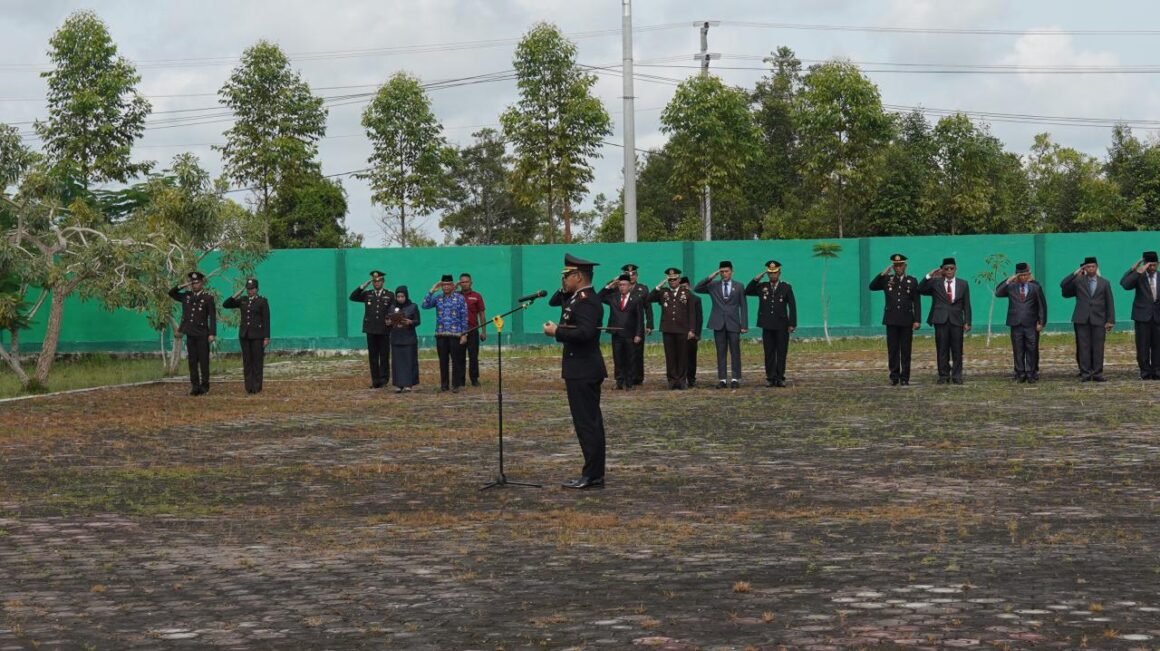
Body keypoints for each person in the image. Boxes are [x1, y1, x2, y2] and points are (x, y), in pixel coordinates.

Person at [544, 253, 607, 490]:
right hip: (577, 368)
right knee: (586, 423)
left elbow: (585, 333)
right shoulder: (575, 299)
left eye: (567, 275)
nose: (564, 279)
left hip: (584, 369)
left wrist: (556, 332)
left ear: (578, 276)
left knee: (588, 424)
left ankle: (592, 474)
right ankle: (593, 472)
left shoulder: (588, 301)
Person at [868, 253, 922, 386]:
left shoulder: (912, 281)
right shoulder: (887, 279)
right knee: (893, 350)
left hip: (906, 320)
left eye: (900, 265)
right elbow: (872, 286)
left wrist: (917, 320)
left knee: (906, 349)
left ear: (905, 266)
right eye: (896, 265)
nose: (898, 268)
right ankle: (894, 376)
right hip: (891, 319)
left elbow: (917, 302)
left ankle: (905, 377)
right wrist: (882, 274)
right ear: (893, 266)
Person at [695, 260, 748, 389]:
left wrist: (744, 324)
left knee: (735, 351)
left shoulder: (739, 286)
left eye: (726, 271)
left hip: (734, 323)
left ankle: (735, 378)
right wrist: (710, 276)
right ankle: (722, 379)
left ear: (732, 272)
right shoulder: (713, 285)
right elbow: (697, 288)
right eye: (722, 272)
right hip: (718, 323)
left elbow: (743, 306)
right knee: (720, 352)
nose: (724, 274)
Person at [918, 257, 972, 385]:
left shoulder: (963, 283)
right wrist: (929, 275)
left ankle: (957, 375)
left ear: (955, 269)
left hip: (957, 320)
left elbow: (967, 304)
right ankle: (943, 375)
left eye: (951, 268)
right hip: (940, 320)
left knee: (957, 350)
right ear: (942, 270)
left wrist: (968, 321)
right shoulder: (935, 282)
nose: (949, 271)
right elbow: (920, 289)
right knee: (942, 349)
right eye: (946, 268)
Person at [1062, 256, 1115, 382]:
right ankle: (1085, 373)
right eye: (1088, 267)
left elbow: (1110, 302)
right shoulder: (1079, 281)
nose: (1091, 269)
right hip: (1082, 318)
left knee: (1098, 347)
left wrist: (1110, 320)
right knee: (1083, 346)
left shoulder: (1104, 283)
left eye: (1093, 266)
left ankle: (1097, 373)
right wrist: (1075, 273)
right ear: (1084, 268)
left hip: (1099, 318)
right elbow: (1063, 285)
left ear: (1097, 267)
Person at [746, 260, 797, 388]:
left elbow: (792, 306)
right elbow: (748, 290)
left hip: (781, 324)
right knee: (768, 352)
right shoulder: (762, 286)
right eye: (770, 273)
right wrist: (757, 278)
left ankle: (780, 377)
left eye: (775, 273)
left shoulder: (786, 287)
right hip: (767, 324)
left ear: (779, 273)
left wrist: (792, 323)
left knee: (781, 351)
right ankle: (770, 377)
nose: (772, 276)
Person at [995, 262, 1047, 383]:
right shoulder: (1011, 287)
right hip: (1016, 323)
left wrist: (1041, 322)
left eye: (1026, 275)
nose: (1023, 277)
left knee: (1031, 348)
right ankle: (1020, 373)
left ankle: (1031, 373)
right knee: (1018, 349)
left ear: (1029, 275)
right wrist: (1009, 280)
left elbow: (1041, 306)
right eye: (1021, 275)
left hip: (1031, 323)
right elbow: (998, 293)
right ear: (1017, 276)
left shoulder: (1035, 287)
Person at [647, 268, 697, 390]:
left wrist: (692, 329)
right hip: (668, 329)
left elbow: (691, 313)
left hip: (682, 329)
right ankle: (672, 380)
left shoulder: (686, 293)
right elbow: (648, 298)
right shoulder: (663, 292)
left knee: (682, 356)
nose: (672, 282)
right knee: (670, 356)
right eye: (670, 280)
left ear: (679, 280)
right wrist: (659, 285)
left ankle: (681, 380)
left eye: (674, 279)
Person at [168, 271, 217, 396]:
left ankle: (204, 386)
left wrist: (212, 333)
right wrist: (183, 285)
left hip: (202, 334)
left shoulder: (208, 298)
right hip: (190, 333)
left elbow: (212, 317)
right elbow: (171, 293)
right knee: (192, 361)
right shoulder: (187, 296)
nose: (195, 285)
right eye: (193, 283)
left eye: (197, 283)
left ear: (202, 283)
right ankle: (195, 386)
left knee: (204, 361)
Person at [222, 278, 270, 394]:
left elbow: (266, 320)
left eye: (252, 289)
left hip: (257, 336)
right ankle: (249, 387)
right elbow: (226, 304)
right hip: (245, 335)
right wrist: (237, 293)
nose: (250, 291)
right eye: (248, 289)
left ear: (257, 289)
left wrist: (266, 337)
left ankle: (257, 386)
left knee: (257, 362)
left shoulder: (262, 301)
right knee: (247, 361)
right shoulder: (243, 300)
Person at [598, 273, 645, 390]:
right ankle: (619, 381)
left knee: (630, 358)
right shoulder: (613, 297)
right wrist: (610, 285)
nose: (622, 287)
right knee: (618, 358)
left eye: (624, 285)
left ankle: (629, 382)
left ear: (629, 286)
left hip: (630, 334)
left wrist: (638, 334)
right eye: (620, 285)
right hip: (616, 333)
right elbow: (599, 297)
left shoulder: (636, 299)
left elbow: (640, 318)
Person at [422, 274, 469, 392]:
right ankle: (444, 385)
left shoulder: (459, 298)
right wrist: (432, 290)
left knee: (456, 360)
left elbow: (464, 317)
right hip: (441, 335)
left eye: (448, 284)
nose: (446, 287)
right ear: (441, 286)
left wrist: (464, 334)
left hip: (455, 335)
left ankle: (456, 385)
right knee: (443, 361)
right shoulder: (438, 299)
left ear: (453, 285)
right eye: (444, 285)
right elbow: (424, 305)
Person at [1119, 251, 1160, 380]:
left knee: (1158, 345)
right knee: (1142, 345)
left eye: (1154, 265)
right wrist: (1135, 270)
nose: (1152, 268)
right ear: (1145, 265)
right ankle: (1145, 371)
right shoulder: (1139, 277)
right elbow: (1125, 284)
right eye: (1150, 265)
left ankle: (1157, 370)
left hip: (1158, 316)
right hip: (1142, 316)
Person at [349, 270, 394, 389]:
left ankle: (384, 379)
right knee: (373, 356)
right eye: (374, 281)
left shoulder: (389, 295)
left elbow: (394, 309)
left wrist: (391, 320)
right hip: (371, 329)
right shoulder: (367, 294)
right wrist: (362, 287)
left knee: (384, 355)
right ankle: (376, 380)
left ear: (383, 282)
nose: (377, 283)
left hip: (384, 329)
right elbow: (352, 297)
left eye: (379, 281)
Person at [620, 264, 653, 386]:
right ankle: (625, 376)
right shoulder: (620, 288)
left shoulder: (642, 289)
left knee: (637, 352)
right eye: (628, 275)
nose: (631, 276)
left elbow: (648, 308)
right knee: (623, 353)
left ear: (637, 275)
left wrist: (649, 324)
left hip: (637, 326)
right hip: (624, 326)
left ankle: (637, 377)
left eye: (633, 274)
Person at [388, 286, 421, 392]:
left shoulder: (413, 306)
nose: (400, 298)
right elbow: (388, 319)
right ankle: (398, 384)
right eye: (398, 296)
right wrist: (388, 322)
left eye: (402, 296)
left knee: (409, 361)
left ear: (406, 296)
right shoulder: (392, 307)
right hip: (396, 338)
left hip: (408, 339)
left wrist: (410, 322)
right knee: (397, 363)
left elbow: (417, 321)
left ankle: (408, 384)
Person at [458, 273, 487, 387]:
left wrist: (483, 331)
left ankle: (474, 379)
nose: (464, 284)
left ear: (471, 282)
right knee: (459, 356)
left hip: (473, 330)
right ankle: (460, 380)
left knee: (473, 356)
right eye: (462, 282)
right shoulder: (455, 296)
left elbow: (482, 314)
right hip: (459, 332)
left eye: (466, 281)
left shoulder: (477, 296)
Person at [682, 277, 703, 388]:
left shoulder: (696, 299)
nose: (684, 289)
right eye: (681, 287)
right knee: (680, 357)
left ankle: (691, 378)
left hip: (692, 334)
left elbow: (699, 318)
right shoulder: (676, 299)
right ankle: (681, 378)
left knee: (691, 358)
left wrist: (697, 334)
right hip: (680, 333)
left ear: (689, 286)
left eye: (685, 287)